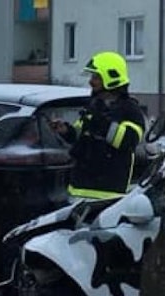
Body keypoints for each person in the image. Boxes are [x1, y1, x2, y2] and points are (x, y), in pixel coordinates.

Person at [49, 51, 146, 200]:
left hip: (107, 194)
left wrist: (101, 122)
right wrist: (66, 130)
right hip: (78, 189)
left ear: (111, 78)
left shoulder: (129, 109)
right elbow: (80, 134)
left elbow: (129, 141)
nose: (91, 81)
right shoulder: (94, 105)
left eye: (96, 77)